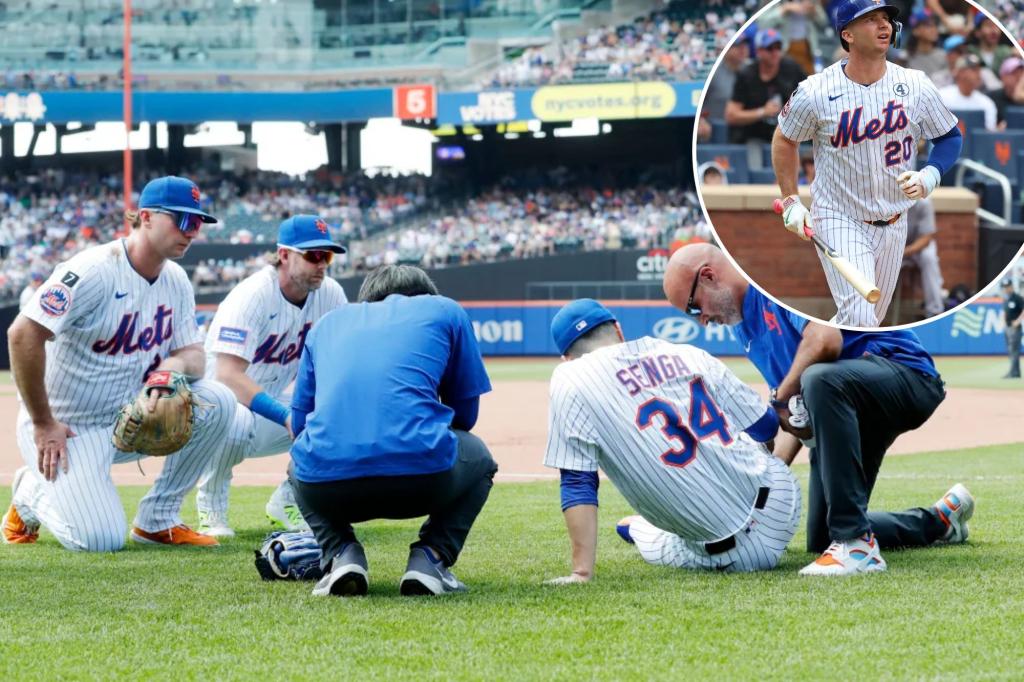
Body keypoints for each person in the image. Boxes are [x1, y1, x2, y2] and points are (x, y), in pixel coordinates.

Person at [664, 244, 975, 576]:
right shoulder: (744, 327)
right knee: (825, 535)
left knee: (819, 379)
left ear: (708, 276)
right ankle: (939, 522)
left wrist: (781, 398)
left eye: (694, 308)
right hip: (851, 399)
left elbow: (826, 340)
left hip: (906, 375)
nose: (703, 321)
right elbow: (794, 410)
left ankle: (856, 546)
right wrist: (761, 489)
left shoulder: (769, 285)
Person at [2, 176, 234, 551]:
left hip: (132, 415)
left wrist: (168, 370)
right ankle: (30, 493)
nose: (191, 232)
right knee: (98, 540)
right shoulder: (94, 269)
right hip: (67, 430)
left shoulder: (176, 280)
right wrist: (44, 423)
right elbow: (22, 334)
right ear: (145, 217)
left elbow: (194, 355)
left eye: (197, 223)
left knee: (219, 402)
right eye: (182, 220)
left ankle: (158, 519)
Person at [542, 299, 801, 581]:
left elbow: (577, 483)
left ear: (566, 358)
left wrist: (581, 572)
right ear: (618, 329)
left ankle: (639, 529)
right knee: (744, 445)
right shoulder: (684, 352)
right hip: (783, 500)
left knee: (640, 533)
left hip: (735, 557)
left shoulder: (569, 378)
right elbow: (765, 427)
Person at [288, 264, 497, 597]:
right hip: (425, 480)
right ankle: (431, 558)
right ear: (427, 294)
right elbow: (466, 417)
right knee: (482, 458)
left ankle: (342, 553)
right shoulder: (444, 310)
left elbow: (298, 427)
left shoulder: (328, 323)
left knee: (298, 461)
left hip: (326, 487)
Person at [772, 0, 962, 327]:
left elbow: (950, 137)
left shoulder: (915, 84)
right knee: (861, 315)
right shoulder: (815, 90)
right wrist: (791, 199)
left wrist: (931, 174)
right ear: (847, 34)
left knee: (865, 320)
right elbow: (784, 138)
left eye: (886, 18)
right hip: (839, 215)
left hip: (895, 219)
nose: (884, 25)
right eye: (871, 19)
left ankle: (810, 352)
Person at [194, 215, 348, 538]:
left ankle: (289, 499)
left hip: (265, 407)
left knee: (340, 418)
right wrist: (286, 415)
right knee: (235, 419)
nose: (321, 264)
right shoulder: (251, 295)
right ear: (283, 255)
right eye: (312, 255)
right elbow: (227, 376)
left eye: (327, 256)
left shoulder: (330, 294)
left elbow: (341, 363)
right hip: (211, 411)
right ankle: (211, 507)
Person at [726, 28, 806, 147]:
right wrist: (762, 112)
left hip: (787, 134)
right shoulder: (747, 74)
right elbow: (731, 115)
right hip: (753, 135)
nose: (775, 53)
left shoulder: (791, 68)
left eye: (778, 47)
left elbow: (811, 96)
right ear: (759, 51)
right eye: (770, 48)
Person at [903, 197, 945, 318]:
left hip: (918, 246)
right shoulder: (887, 199)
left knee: (929, 257)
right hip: (894, 246)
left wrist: (904, 253)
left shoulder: (923, 202)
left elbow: (926, 238)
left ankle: (934, 311)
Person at [939, 54, 998, 131]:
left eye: (979, 69)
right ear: (960, 72)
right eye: (974, 70)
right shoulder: (941, 96)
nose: (979, 74)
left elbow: (988, 135)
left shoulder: (986, 102)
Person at [986, 57, 1024, 129]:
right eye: (1014, 74)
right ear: (1003, 77)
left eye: (1021, 74)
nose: (1019, 77)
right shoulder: (990, 98)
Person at [905, 10, 945, 77]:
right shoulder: (905, 57)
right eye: (929, 25)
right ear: (916, 30)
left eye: (936, 25)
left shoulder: (943, 56)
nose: (934, 29)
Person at [1002, 278, 1023, 379]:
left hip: (1015, 328)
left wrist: (1018, 321)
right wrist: (1003, 323)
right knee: (1010, 350)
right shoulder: (1006, 299)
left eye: (1008, 287)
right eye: (1005, 287)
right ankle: (1015, 372)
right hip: (1007, 327)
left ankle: (1013, 373)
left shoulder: (1018, 298)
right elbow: (1005, 312)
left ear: (1011, 286)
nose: (1006, 289)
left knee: (1014, 350)